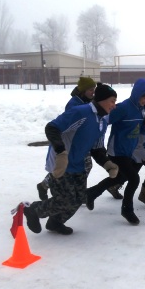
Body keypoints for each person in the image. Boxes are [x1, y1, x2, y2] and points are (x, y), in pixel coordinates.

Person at [22, 84, 119, 235]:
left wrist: (107, 164)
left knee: (80, 198)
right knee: (65, 200)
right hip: (62, 164)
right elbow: (52, 128)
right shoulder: (81, 112)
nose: (114, 105)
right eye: (112, 101)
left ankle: (55, 222)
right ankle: (33, 210)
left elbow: (96, 148)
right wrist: (61, 152)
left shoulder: (103, 121)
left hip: (78, 164)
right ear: (101, 99)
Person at [90, 78, 145, 225]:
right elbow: (103, 120)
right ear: (137, 94)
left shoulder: (141, 109)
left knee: (119, 178)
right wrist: (94, 141)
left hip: (129, 150)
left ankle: (91, 193)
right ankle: (127, 210)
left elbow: (141, 129)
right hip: (117, 150)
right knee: (134, 178)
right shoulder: (123, 108)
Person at [36, 76, 98, 200]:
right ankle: (45, 185)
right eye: (91, 89)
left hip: (81, 143)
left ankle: (79, 192)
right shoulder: (74, 104)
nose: (93, 92)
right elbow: (70, 125)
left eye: (94, 89)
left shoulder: (88, 101)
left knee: (86, 166)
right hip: (71, 143)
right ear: (83, 90)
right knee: (67, 168)